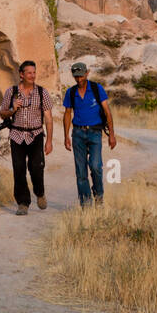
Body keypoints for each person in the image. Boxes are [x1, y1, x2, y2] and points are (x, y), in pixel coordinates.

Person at [0, 61, 53, 215]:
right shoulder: (11, 92)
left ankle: (40, 192)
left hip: (35, 135)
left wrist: (49, 141)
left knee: (36, 168)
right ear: (21, 74)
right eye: (29, 73)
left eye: (34, 72)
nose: (32, 76)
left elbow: (48, 118)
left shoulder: (42, 92)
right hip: (17, 135)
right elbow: (2, 113)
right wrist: (12, 108)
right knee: (19, 169)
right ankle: (23, 203)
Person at [62, 62, 116, 208]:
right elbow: (67, 114)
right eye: (76, 77)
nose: (78, 79)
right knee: (80, 172)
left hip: (94, 133)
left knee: (96, 166)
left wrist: (112, 135)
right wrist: (66, 136)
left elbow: (107, 111)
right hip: (78, 133)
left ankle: (99, 196)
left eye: (81, 76)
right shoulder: (70, 92)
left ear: (87, 73)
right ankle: (85, 203)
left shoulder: (97, 89)